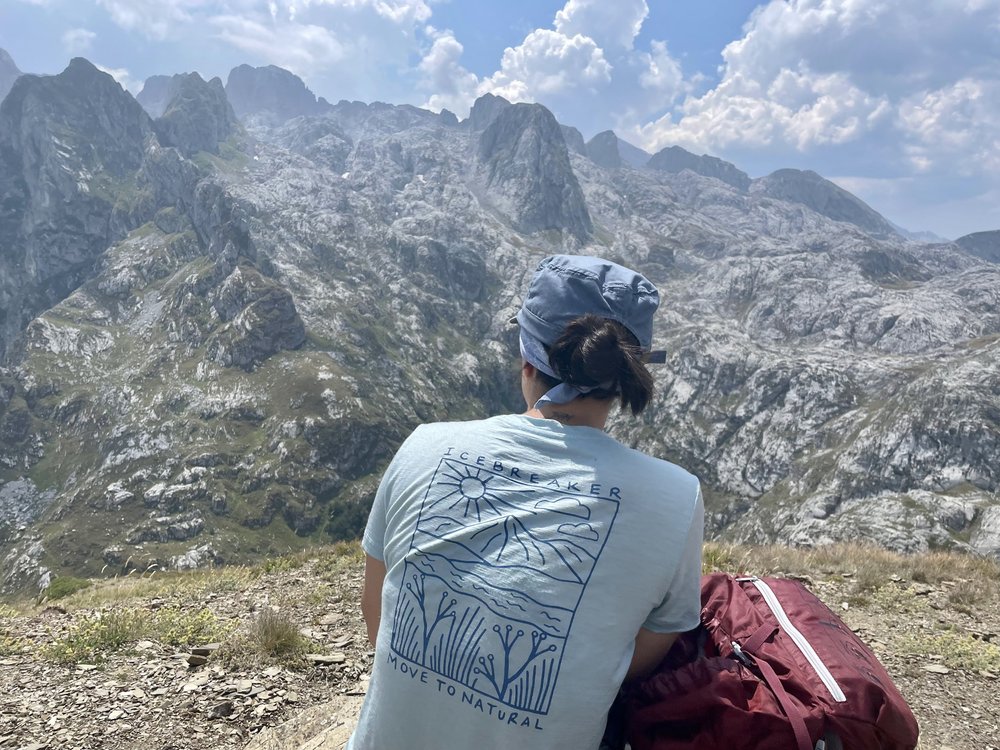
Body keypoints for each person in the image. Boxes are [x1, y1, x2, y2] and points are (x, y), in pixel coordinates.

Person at [346, 254, 704, 750]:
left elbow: (376, 621)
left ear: (526, 358)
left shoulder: (424, 444)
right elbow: (638, 656)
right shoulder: (676, 496)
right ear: (626, 376)